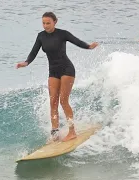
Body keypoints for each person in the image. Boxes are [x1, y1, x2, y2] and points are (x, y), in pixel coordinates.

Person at [16, 12, 98, 143]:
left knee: (63, 101)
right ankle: (55, 134)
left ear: (55, 22)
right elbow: (34, 52)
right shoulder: (41, 36)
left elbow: (77, 41)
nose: (45, 25)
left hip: (67, 69)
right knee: (53, 102)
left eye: (48, 23)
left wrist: (89, 46)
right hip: (53, 71)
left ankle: (72, 132)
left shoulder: (62, 34)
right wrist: (25, 63)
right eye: (43, 23)